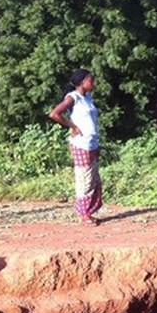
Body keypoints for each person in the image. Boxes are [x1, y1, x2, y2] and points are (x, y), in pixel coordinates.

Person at [48, 68, 103, 226]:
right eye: (90, 80)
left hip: (91, 142)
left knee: (93, 179)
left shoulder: (88, 98)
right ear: (82, 82)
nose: (93, 83)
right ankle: (83, 214)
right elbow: (55, 114)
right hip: (81, 143)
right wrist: (73, 127)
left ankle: (88, 211)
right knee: (84, 179)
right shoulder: (74, 97)